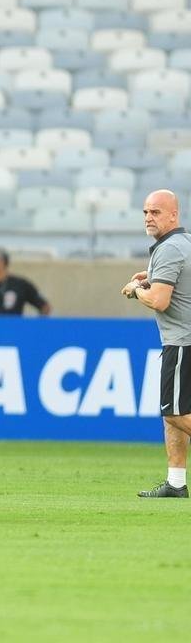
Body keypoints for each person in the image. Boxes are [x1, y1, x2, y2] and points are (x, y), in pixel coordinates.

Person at [125, 190, 191, 499]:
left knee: (175, 413)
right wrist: (150, 276)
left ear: (173, 215)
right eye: (146, 212)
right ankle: (176, 483)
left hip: (182, 342)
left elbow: (161, 301)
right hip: (185, 339)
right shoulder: (184, 243)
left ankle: (176, 483)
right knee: (175, 413)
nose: (149, 218)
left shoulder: (167, 250)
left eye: (156, 212)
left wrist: (136, 289)